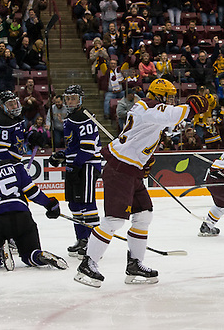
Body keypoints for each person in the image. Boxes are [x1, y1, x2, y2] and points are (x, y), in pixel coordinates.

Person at [74, 79, 208, 287]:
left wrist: (144, 159)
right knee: (114, 220)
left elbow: (153, 132)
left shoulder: (150, 110)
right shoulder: (149, 106)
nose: (172, 101)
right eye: (169, 97)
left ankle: (135, 264)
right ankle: (88, 264)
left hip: (131, 168)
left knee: (144, 215)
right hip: (120, 168)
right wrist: (190, 107)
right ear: (159, 96)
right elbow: (174, 115)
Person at [0, 142, 67, 271]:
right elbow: (32, 192)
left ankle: (0, 254)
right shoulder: (15, 166)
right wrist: (50, 205)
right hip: (23, 217)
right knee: (30, 254)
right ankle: (39, 255)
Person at [48, 85, 102, 259]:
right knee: (74, 204)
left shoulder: (85, 117)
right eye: (68, 98)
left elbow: (87, 149)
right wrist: (62, 156)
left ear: (81, 99)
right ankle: (82, 239)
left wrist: (75, 164)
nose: (70, 101)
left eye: (74, 98)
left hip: (86, 165)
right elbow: (75, 146)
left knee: (87, 205)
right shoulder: (70, 118)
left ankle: (95, 245)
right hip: (75, 164)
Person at [0, 91, 27, 162]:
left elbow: (20, 135)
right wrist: (11, 164)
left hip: (16, 158)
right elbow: (0, 150)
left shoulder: (17, 117)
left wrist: (30, 136)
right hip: (6, 162)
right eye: (10, 105)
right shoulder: (2, 121)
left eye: (15, 103)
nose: (14, 107)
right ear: (2, 106)